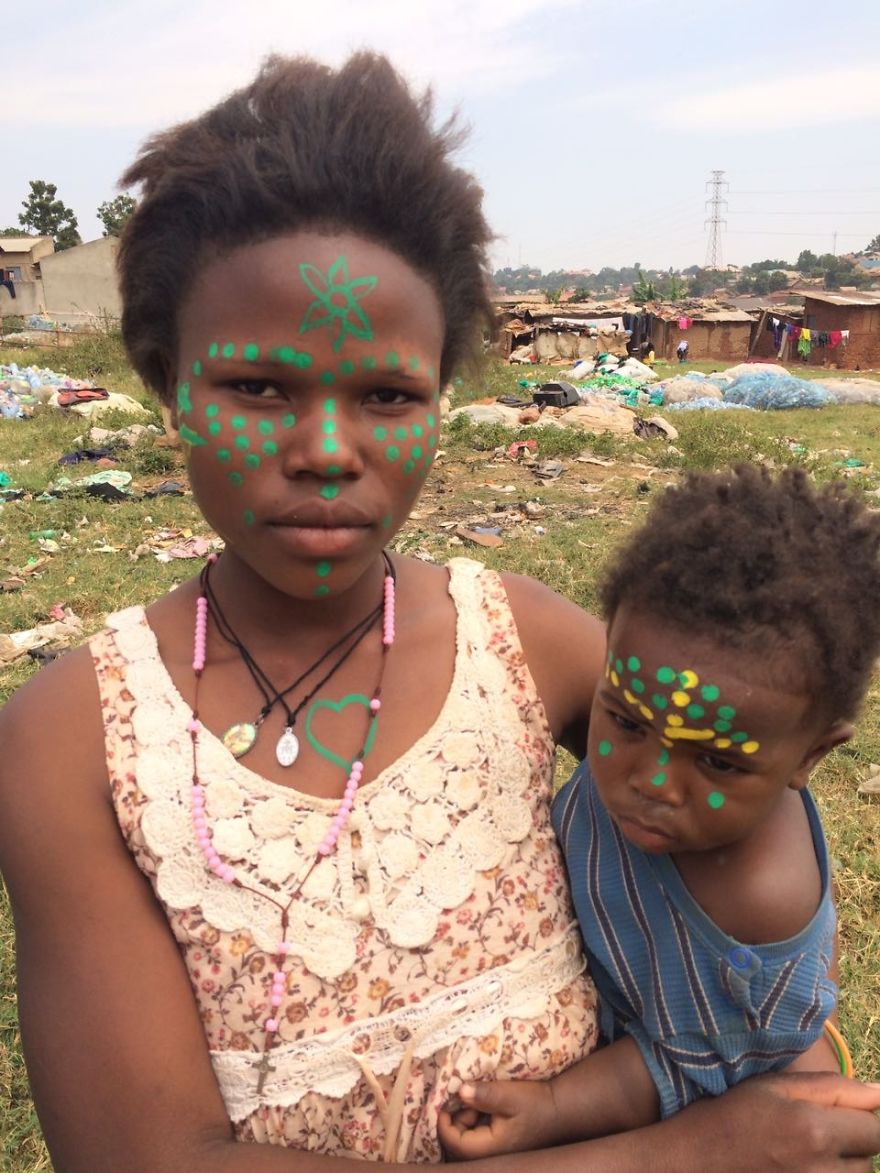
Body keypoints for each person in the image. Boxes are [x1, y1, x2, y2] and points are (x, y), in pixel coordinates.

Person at [0, 53, 878, 1173]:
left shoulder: (523, 644)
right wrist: (685, 1150)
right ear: (169, 384)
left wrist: (766, 1039)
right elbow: (147, 1157)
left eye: (387, 396)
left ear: (442, 396)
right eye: (258, 388)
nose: (325, 451)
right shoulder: (75, 740)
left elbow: (737, 763)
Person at [439, 464, 880, 1158]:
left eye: (719, 762)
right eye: (626, 721)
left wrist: (555, 1106)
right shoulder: (652, 725)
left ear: (810, 758)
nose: (651, 779)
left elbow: (683, 1060)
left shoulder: (757, 903)